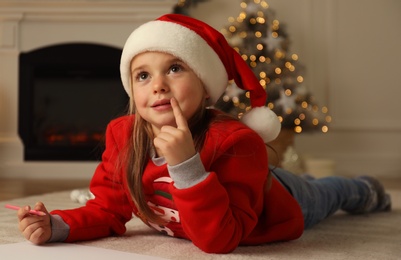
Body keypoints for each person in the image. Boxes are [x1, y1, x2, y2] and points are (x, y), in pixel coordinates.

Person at [16, 14, 391, 254]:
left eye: (175, 68)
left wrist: (186, 167)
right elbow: (107, 208)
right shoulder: (124, 134)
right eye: (143, 75)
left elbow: (219, 240)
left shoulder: (235, 141)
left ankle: (361, 188)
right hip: (241, 181)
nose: (158, 85)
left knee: (326, 192)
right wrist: (59, 226)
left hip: (274, 200)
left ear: (206, 85)